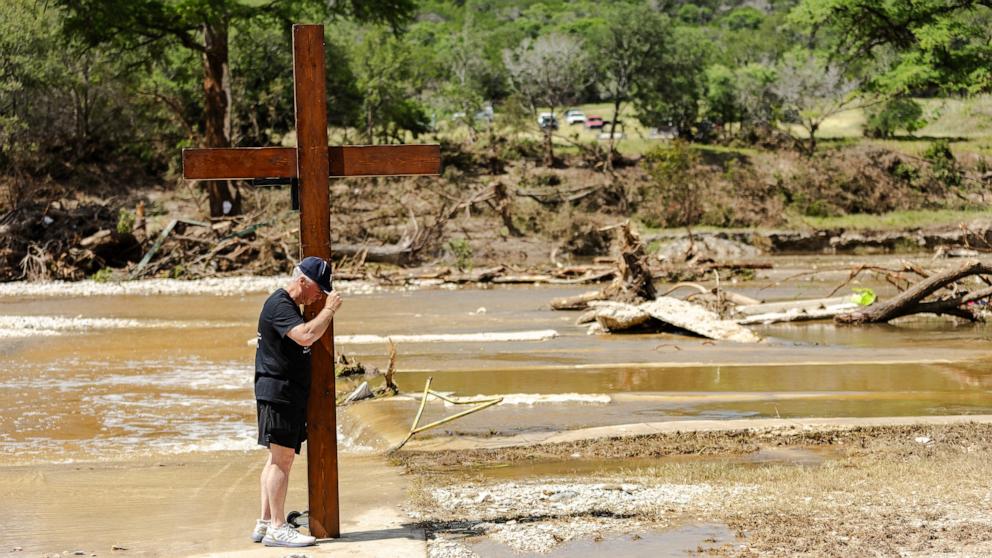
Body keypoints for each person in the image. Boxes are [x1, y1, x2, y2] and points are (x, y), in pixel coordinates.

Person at [250, 256, 342, 547]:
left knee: (275, 459)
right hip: (279, 393)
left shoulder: (287, 306)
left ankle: (265, 523)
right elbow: (305, 336)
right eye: (318, 288)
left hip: (279, 392)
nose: (320, 295)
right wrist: (328, 310)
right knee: (282, 460)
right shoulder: (280, 305)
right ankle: (278, 528)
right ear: (302, 281)